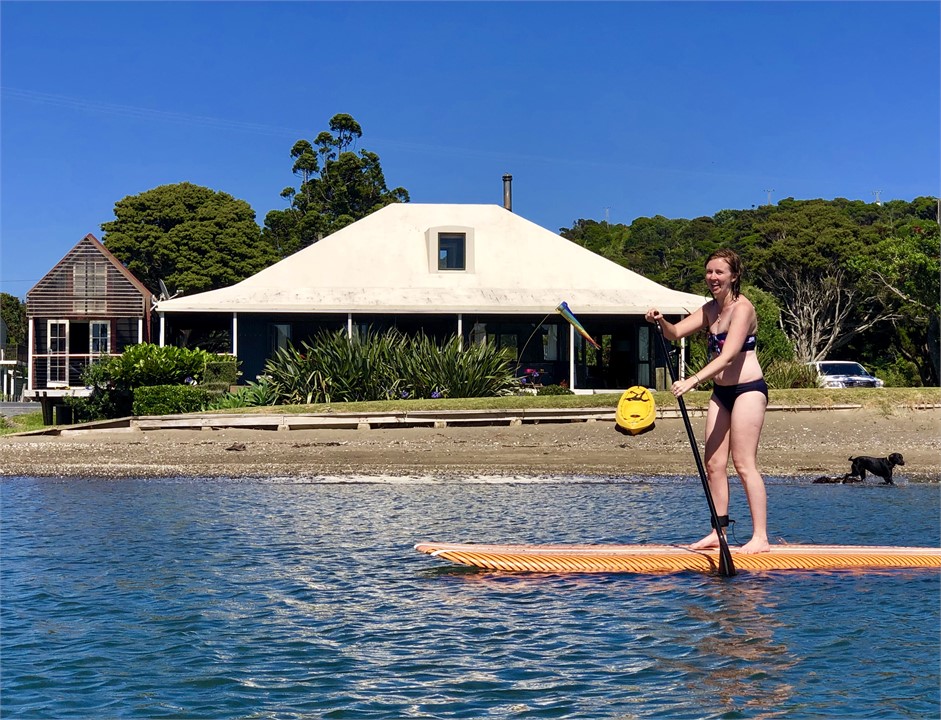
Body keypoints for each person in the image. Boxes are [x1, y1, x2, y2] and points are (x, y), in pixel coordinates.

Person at [645, 249, 770, 554]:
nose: (713, 278)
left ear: (734, 276)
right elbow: (675, 334)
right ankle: (719, 532)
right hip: (721, 393)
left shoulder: (743, 309)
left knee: (743, 463)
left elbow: (728, 357)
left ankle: (760, 537)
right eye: (709, 272)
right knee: (714, 464)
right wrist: (661, 321)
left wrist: (692, 380)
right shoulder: (709, 309)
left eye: (719, 272)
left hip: (748, 390)